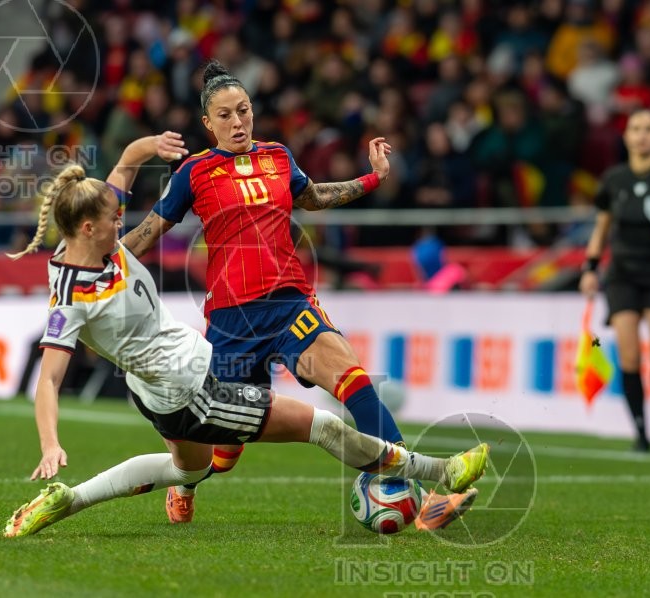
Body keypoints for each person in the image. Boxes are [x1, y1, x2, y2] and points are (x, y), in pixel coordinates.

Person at [2, 145, 489, 538]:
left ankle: (71, 499)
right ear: (89, 228)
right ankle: (439, 472)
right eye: (114, 220)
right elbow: (48, 379)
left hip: (163, 387)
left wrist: (146, 147)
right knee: (319, 425)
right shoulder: (70, 299)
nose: (123, 224)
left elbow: (123, 170)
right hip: (192, 391)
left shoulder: (81, 244)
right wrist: (50, 445)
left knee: (188, 471)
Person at [120, 60, 476, 530]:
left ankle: (420, 497)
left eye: (243, 111)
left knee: (355, 382)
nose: (237, 122)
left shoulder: (278, 157)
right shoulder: (194, 173)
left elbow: (314, 197)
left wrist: (373, 178)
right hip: (231, 319)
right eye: (224, 115)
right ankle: (185, 484)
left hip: (291, 303)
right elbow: (148, 232)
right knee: (223, 453)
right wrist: (92, 264)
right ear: (208, 124)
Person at [579, 109, 650, 452]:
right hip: (623, 275)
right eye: (635, 129)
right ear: (627, 137)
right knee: (629, 355)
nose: (642, 135)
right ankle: (641, 433)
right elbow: (601, 227)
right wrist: (589, 268)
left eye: (649, 129)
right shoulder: (614, 179)